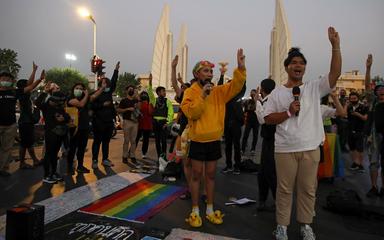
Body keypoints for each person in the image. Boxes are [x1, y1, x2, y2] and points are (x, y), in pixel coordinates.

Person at [264, 27, 341, 240]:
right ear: (287, 67)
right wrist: (289, 111)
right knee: (284, 190)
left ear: (305, 68)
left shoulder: (314, 88)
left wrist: (335, 46)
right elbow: (268, 118)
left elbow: (335, 74)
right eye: (294, 63)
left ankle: (306, 225)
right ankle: (282, 226)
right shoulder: (277, 93)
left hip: (310, 148)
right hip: (285, 149)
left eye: (302, 63)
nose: (298, 66)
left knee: (308, 190)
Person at [181, 49, 246, 227]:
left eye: (210, 71)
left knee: (210, 175)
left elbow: (236, 86)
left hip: (214, 141)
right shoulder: (190, 92)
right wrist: (202, 96)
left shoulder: (218, 91)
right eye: (205, 71)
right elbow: (192, 113)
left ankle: (209, 209)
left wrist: (240, 68)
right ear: (196, 74)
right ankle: (195, 210)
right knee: (196, 176)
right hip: (197, 141)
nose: (209, 74)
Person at [36, 88, 70, 184]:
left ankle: (54, 173)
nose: (53, 102)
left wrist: (63, 118)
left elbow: (67, 117)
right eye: (52, 100)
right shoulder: (46, 106)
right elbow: (37, 102)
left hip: (60, 134)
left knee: (55, 155)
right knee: (48, 155)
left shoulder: (59, 107)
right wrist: (45, 92)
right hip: (51, 134)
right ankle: (47, 175)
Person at [90, 61, 119, 169]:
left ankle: (105, 159)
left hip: (108, 122)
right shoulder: (96, 93)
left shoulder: (108, 92)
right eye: (103, 83)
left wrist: (116, 70)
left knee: (106, 142)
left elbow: (114, 81)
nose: (105, 85)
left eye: (106, 83)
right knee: (97, 141)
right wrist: (102, 104)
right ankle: (94, 160)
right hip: (98, 122)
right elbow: (92, 105)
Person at [254, 78, 277, 212]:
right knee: (263, 172)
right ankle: (263, 199)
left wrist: (257, 101)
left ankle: (276, 201)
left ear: (262, 89)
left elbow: (262, 120)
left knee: (270, 172)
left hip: (273, 140)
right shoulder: (269, 101)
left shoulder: (269, 102)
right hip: (269, 140)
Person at [17, 62, 45, 169]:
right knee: (27, 143)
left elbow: (30, 84)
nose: (30, 85)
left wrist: (35, 71)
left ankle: (29, 161)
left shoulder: (25, 95)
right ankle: (30, 161)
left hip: (26, 122)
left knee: (26, 143)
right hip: (25, 122)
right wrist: (37, 75)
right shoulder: (22, 94)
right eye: (27, 84)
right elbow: (31, 84)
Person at [364, 54, 384, 198]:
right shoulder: (373, 102)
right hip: (374, 137)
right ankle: (373, 187)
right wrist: (368, 68)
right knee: (373, 162)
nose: (381, 92)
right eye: (379, 90)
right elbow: (366, 86)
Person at [221, 79, 246, 175]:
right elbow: (219, 85)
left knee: (236, 146)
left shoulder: (238, 95)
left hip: (236, 125)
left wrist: (242, 77)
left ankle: (237, 166)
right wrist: (222, 75)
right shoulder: (224, 97)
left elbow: (243, 87)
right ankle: (228, 165)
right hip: (227, 125)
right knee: (228, 146)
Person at [147, 74, 174, 160]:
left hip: (163, 124)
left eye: (165, 91)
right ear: (158, 92)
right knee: (157, 141)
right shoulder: (154, 100)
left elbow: (171, 113)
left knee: (164, 141)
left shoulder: (168, 102)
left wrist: (167, 122)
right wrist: (150, 82)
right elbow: (150, 92)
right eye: (163, 91)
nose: (164, 93)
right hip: (155, 123)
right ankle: (159, 156)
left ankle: (164, 156)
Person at [66, 83, 90, 174]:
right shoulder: (70, 99)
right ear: (73, 89)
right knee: (72, 148)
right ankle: (69, 167)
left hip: (84, 127)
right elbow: (81, 104)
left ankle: (80, 166)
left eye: (81, 89)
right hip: (74, 128)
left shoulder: (85, 99)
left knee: (82, 148)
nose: (79, 90)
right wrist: (87, 94)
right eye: (77, 88)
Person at [0, 69, 19, 177]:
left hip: (10, 125)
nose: (5, 81)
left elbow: (28, 87)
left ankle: (3, 168)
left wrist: (39, 78)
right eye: (3, 79)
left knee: (7, 148)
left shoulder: (13, 93)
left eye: (8, 79)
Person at [117, 85, 140, 165]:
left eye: (133, 90)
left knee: (133, 141)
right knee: (126, 140)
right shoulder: (124, 101)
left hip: (135, 122)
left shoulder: (136, 100)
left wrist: (137, 99)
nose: (132, 91)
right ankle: (124, 156)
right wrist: (127, 109)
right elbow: (118, 110)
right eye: (130, 89)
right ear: (127, 91)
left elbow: (140, 109)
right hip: (127, 121)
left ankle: (132, 155)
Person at [347, 91, 368, 173]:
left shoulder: (363, 107)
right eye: (351, 99)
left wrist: (357, 114)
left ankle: (360, 164)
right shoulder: (348, 107)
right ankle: (355, 163)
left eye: (354, 98)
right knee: (352, 148)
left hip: (360, 131)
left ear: (358, 98)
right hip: (350, 131)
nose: (353, 100)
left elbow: (365, 118)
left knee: (360, 149)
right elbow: (344, 115)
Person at [135, 91, 153, 159]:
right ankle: (131, 152)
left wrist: (149, 104)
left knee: (145, 140)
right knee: (136, 139)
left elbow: (150, 112)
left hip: (147, 124)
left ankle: (144, 153)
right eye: (143, 95)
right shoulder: (138, 104)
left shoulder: (149, 104)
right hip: (139, 124)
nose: (144, 96)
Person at [241, 89, 260, 154]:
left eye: (254, 93)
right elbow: (246, 110)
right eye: (251, 93)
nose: (252, 94)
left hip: (256, 121)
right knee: (245, 135)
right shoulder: (248, 101)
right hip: (249, 120)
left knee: (255, 136)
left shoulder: (259, 102)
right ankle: (242, 149)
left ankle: (253, 149)